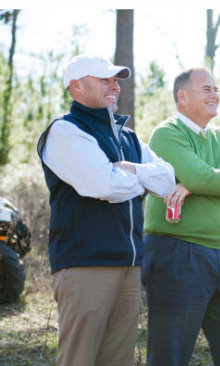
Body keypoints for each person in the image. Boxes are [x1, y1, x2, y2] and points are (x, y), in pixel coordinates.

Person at [36, 54, 175, 366]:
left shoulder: (130, 138)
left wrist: (122, 168)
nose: (114, 86)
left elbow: (167, 180)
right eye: (105, 79)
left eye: (116, 80)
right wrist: (140, 177)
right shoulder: (64, 131)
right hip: (85, 266)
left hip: (129, 266)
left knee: (118, 361)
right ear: (76, 87)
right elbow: (104, 187)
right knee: (79, 360)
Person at [141, 67, 220, 366]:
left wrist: (192, 187)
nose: (215, 94)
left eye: (216, 89)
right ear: (183, 96)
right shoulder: (166, 134)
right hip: (177, 253)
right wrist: (203, 182)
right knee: (170, 351)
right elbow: (205, 177)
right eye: (207, 89)